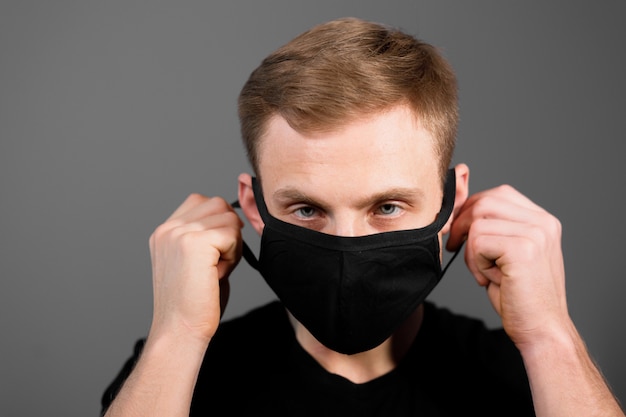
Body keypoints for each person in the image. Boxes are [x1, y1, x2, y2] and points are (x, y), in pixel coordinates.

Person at [101, 17, 624, 417]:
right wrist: (176, 336)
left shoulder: (529, 379)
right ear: (255, 206)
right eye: (306, 209)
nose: (347, 246)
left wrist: (550, 337)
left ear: (452, 199)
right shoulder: (171, 378)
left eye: (387, 207)